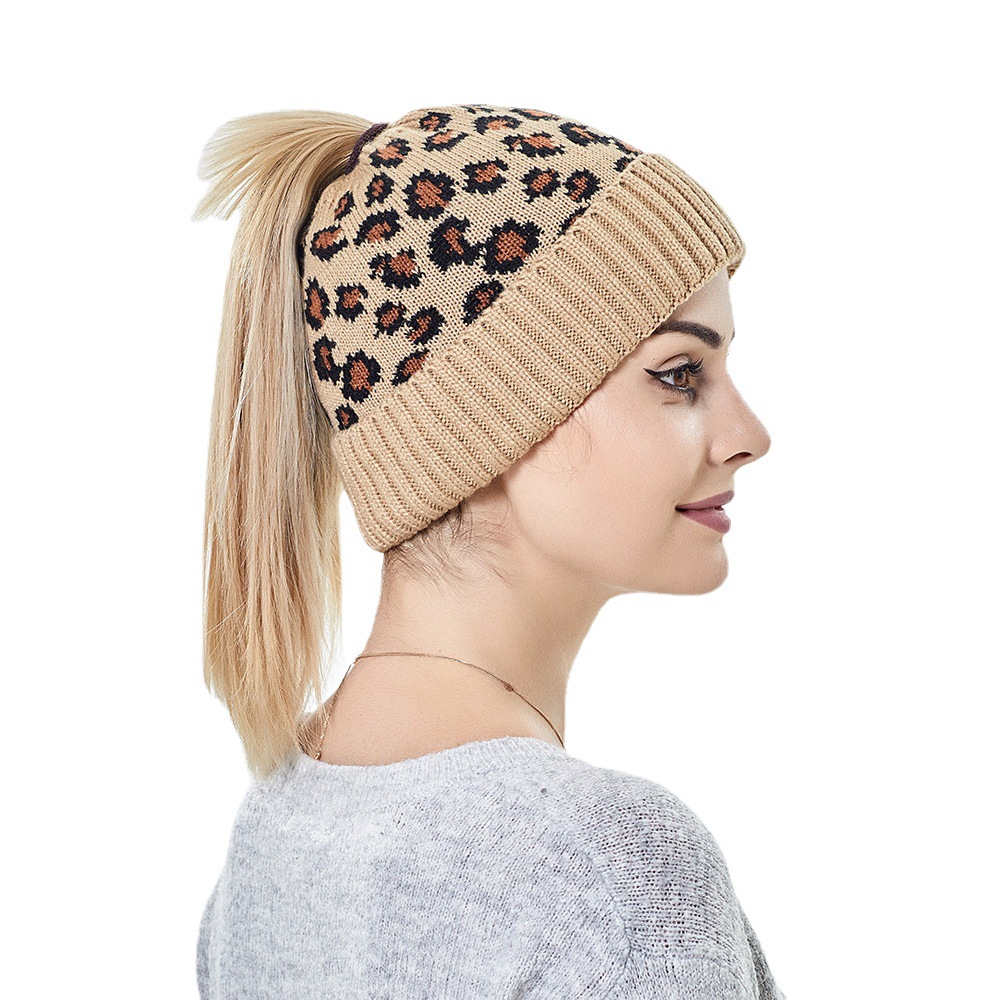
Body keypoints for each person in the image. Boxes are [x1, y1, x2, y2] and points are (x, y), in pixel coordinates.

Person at [192, 102, 784, 999]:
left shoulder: (271, 833)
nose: (750, 436)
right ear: (490, 419)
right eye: (679, 375)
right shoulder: (610, 874)